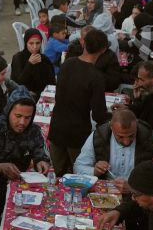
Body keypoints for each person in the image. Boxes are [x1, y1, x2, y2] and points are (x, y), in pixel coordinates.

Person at [0, 88, 52, 217]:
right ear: (8, 111)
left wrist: (42, 161)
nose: (22, 122)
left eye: (27, 118)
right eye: (18, 116)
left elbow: (43, 154)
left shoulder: (34, 130)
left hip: (23, 184)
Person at [47, 29, 111, 175]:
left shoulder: (68, 63)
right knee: (77, 176)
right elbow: (98, 115)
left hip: (57, 127)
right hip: (77, 133)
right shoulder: (96, 77)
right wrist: (113, 114)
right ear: (103, 50)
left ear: (84, 43)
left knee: (57, 174)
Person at [72, 106, 153, 181]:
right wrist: (95, 171)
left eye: (131, 135)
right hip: (104, 190)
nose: (126, 141)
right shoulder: (99, 136)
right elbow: (78, 167)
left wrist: (133, 186)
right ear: (111, 127)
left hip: (139, 190)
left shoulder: (149, 137)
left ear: (136, 126)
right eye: (120, 137)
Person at [9, 30, 55, 96]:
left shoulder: (44, 59)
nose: (35, 47)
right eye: (31, 43)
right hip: (23, 97)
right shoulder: (18, 58)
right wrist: (29, 64)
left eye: (38, 43)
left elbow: (51, 81)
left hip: (43, 96)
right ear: (26, 43)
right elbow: (17, 84)